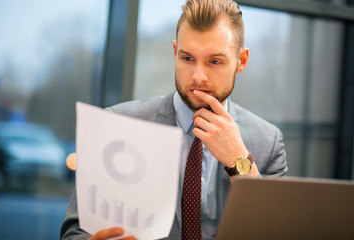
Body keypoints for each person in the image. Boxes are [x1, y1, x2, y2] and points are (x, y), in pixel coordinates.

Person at [60, 0, 288, 239]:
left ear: (241, 61)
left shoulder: (268, 142)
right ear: (174, 52)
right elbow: (75, 232)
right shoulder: (117, 123)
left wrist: (239, 162)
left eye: (214, 61)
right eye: (188, 58)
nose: (198, 77)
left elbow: (274, 232)